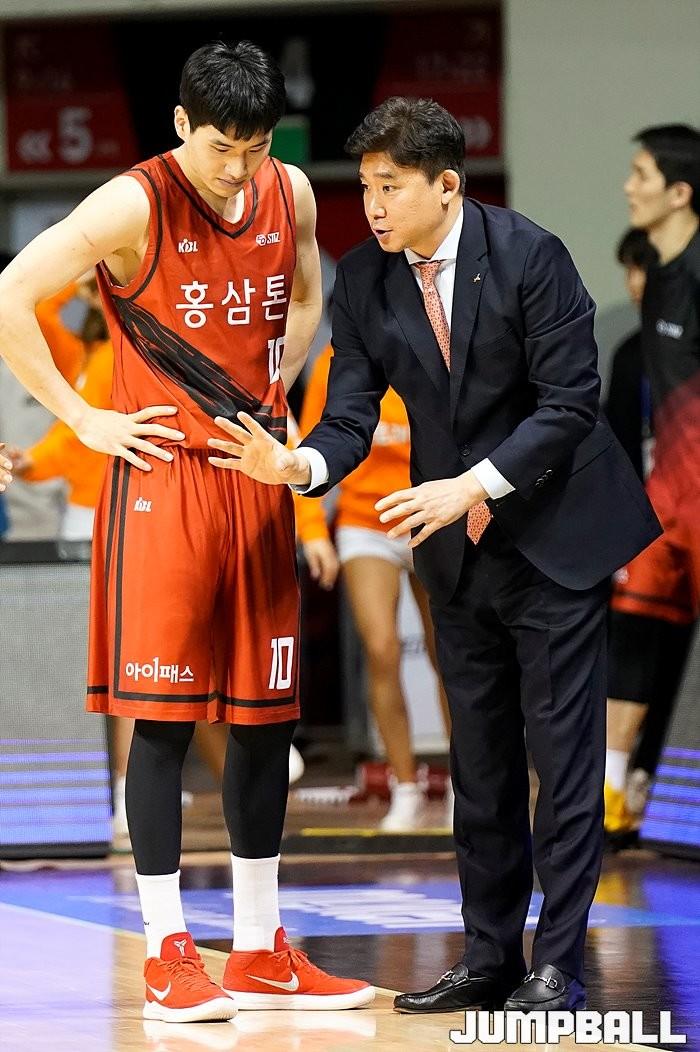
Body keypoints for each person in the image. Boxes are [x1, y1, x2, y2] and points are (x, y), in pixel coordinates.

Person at [206, 97, 660, 1014]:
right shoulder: (367, 280)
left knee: (561, 763)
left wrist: (472, 485)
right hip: (455, 549)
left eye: (390, 186)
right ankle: (488, 956)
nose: (372, 205)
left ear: (446, 185)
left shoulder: (530, 255)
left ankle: (557, 966)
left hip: (556, 537)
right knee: (480, 767)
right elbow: (349, 412)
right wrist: (298, 465)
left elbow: (570, 404)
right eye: (365, 186)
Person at [0, 40, 373, 1023]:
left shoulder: (289, 190)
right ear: (181, 125)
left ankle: (258, 947)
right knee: (162, 722)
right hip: (162, 487)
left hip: (256, 481)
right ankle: (169, 953)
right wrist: (82, 421)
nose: (238, 169)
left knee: (264, 723)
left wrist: (275, 388)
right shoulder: (133, 204)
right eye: (220, 148)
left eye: (255, 148)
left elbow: (306, 295)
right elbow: (10, 295)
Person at [294, 341, 451, 830]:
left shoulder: (435, 339)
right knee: (381, 649)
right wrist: (313, 532)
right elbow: (308, 446)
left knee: (450, 654)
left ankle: (468, 787)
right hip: (365, 519)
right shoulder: (336, 357)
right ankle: (406, 789)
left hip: (432, 511)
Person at [605, 125, 700, 838]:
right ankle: (610, 794)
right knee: (632, 630)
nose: (629, 187)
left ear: (679, 192)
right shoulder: (659, 278)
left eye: (641, 175)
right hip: (668, 499)